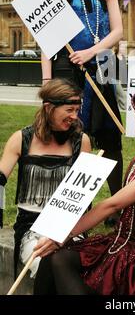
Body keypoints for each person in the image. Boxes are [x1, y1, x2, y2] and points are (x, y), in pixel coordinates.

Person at [33, 87, 135, 295]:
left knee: (59, 257)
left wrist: (63, 235)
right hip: (123, 239)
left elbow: (112, 204)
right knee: (53, 256)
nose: (134, 116)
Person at [41, 0, 124, 215]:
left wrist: (92, 51)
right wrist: (47, 80)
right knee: (72, 135)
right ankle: (79, 207)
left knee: (110, 137)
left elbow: (118, 31)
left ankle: (119, 206)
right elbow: (47, 37)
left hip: (101, 65)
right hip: (67, 66)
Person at [0, 78, 91, 278]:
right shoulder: (21, 139)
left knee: (67, 264)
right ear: (49, 108)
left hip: (67, 225)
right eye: (69, 110)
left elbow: (85, 198)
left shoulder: (81, 141)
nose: (75, 117)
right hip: (31, 226)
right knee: (45, 265)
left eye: (77, 110)